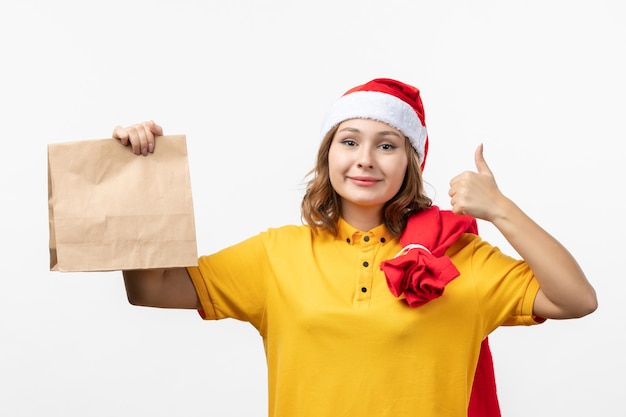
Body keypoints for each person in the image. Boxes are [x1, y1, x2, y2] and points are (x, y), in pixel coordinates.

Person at [112, 78, 597, 417]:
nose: (365, 160)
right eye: (349, 141)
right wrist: (139, 177)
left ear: (409, 161)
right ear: (328, 155)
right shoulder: (277, 255)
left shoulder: (461, 261)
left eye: (387, 145)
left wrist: (500, 210)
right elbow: (151, 288)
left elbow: (577, 300)